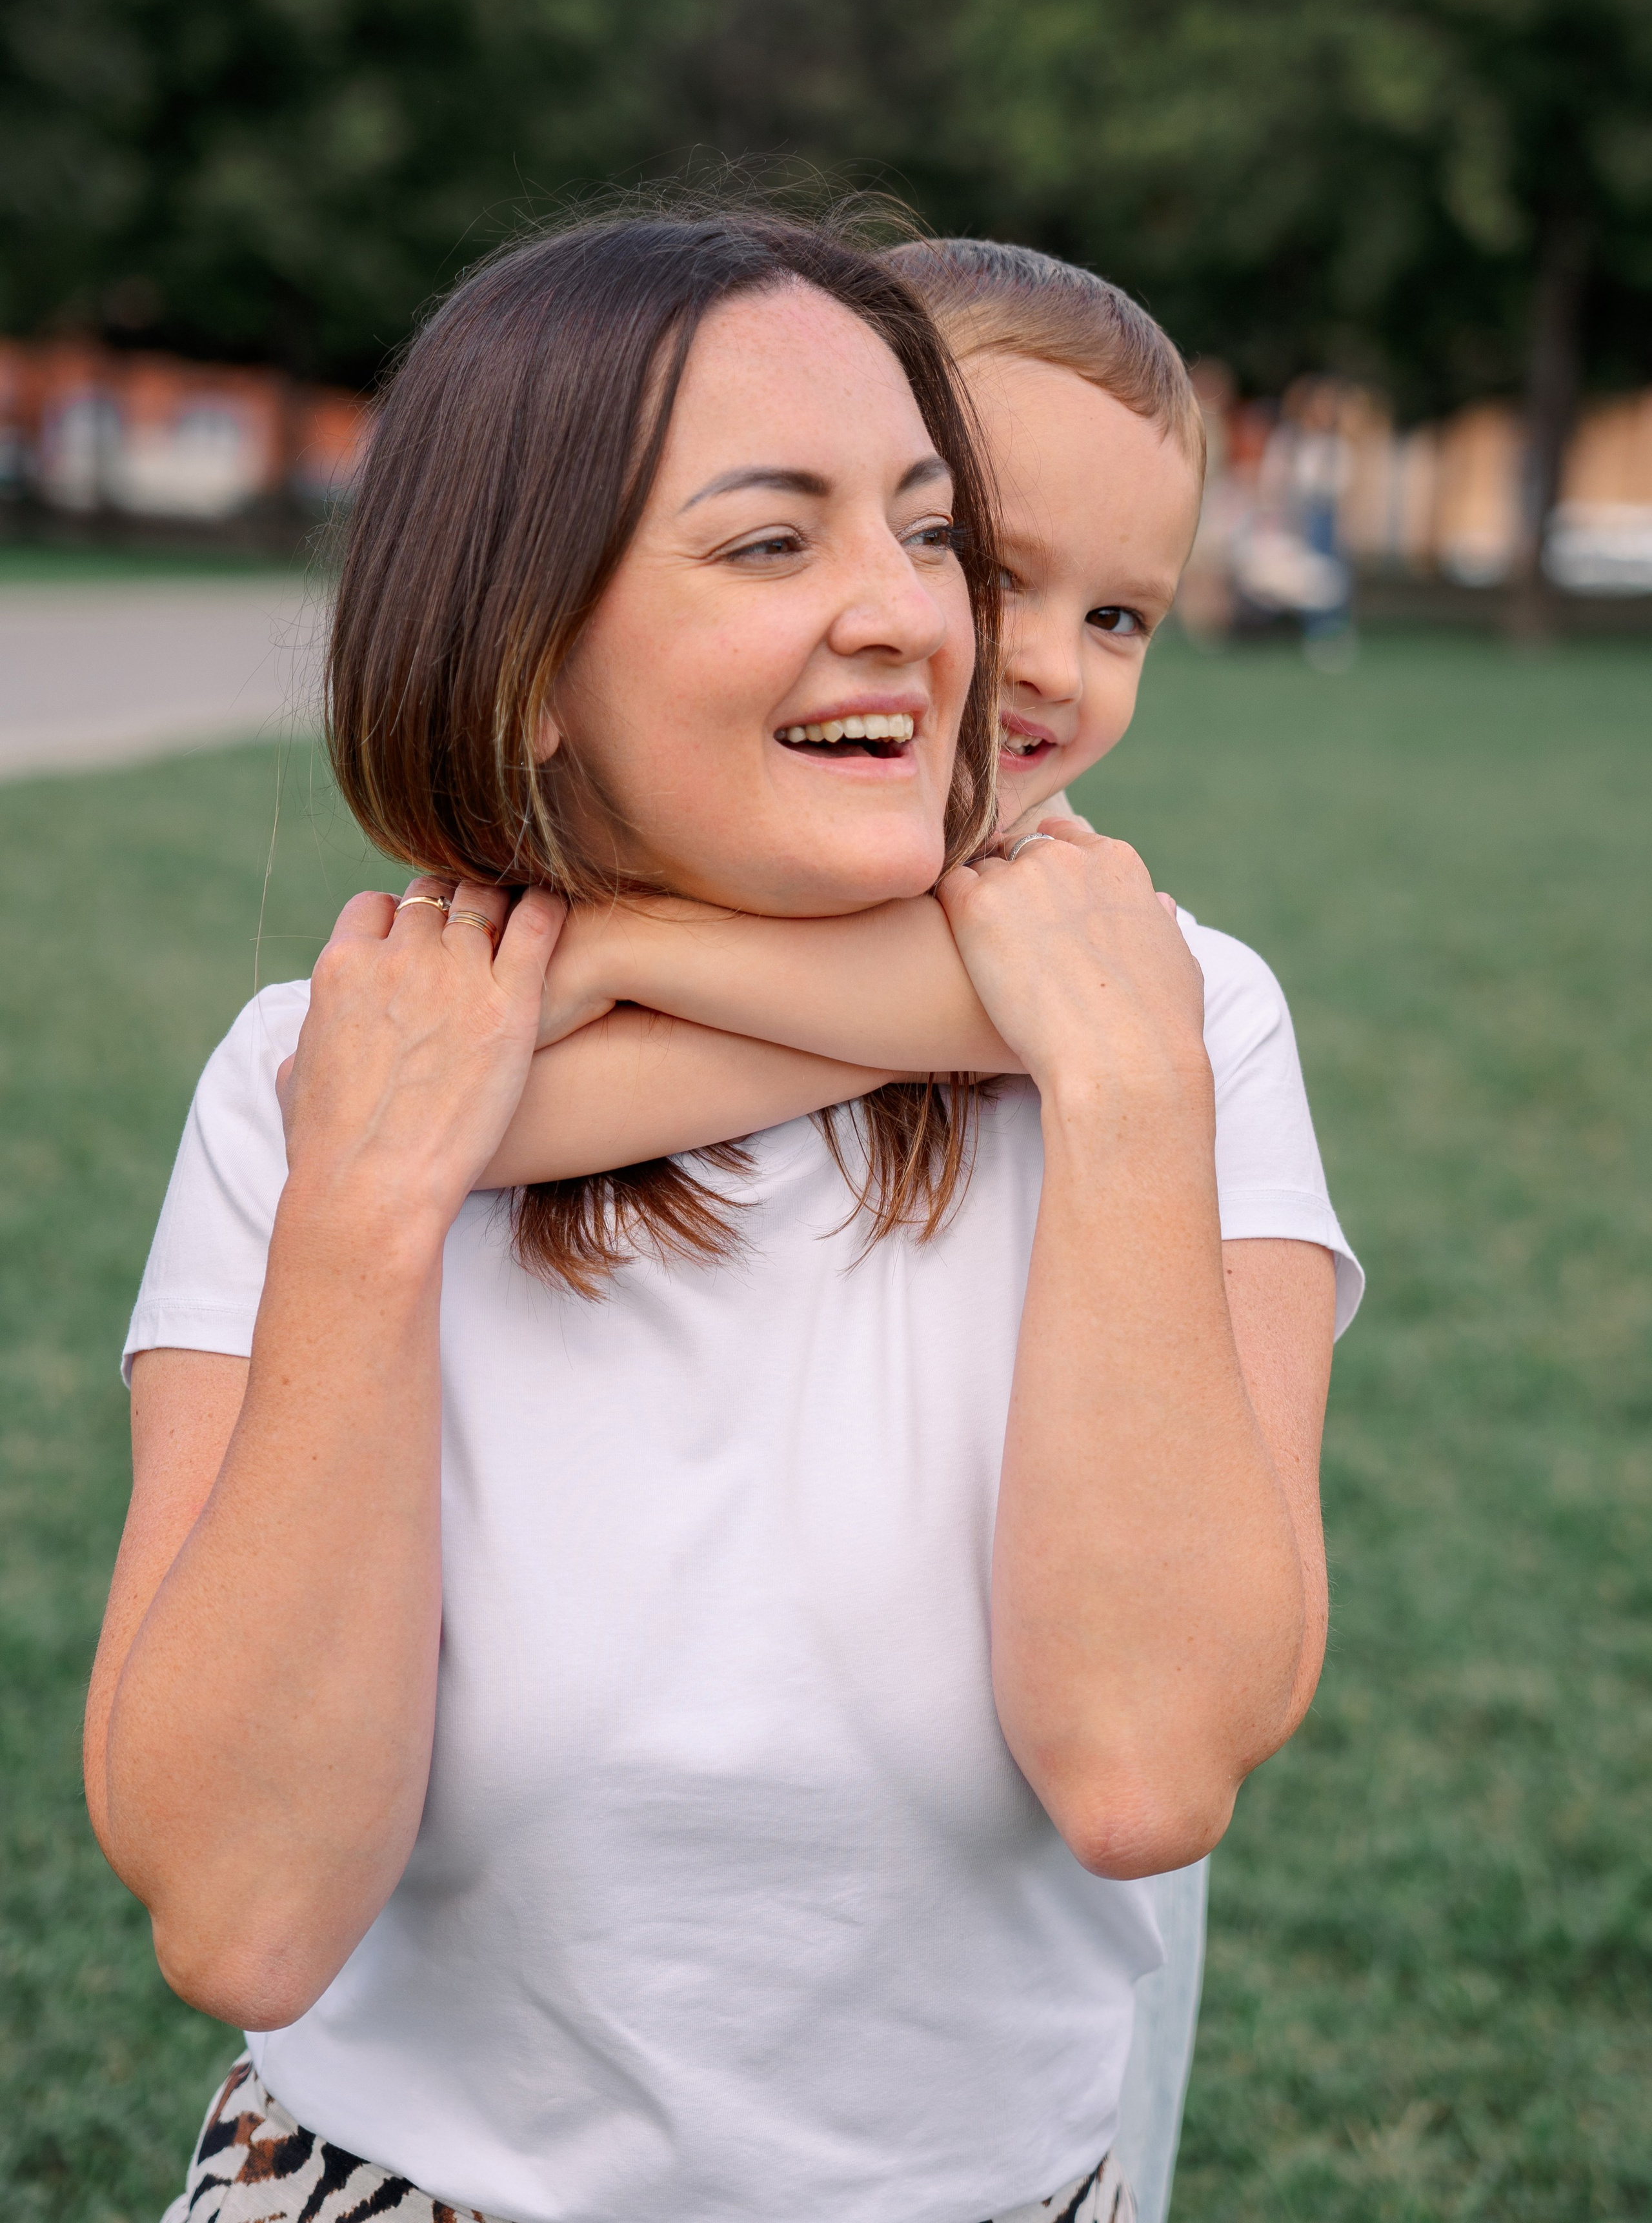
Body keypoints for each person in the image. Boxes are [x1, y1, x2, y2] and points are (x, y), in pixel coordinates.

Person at [90, 210, 1358, 2223]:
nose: (934, 628)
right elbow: (243, 1923)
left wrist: (1121, 1089)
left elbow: (1142, 1772)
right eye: (775, 540)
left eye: (929, 532)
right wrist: (375, 1202)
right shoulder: (328, 1080)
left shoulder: (1160, 1022)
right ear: (526, 666)